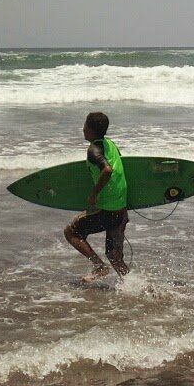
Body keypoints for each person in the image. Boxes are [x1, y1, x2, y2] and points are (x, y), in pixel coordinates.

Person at [64, 111, 130, 282]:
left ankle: (99, 267)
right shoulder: (111, 144)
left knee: (71, 232)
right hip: (121, 210)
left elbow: (107, 170)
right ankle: (137, 286)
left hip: (106, 210)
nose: (83, 129)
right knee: (114, 255)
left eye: (85, 126)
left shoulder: (93, 150)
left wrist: (94, 194)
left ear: (91, 130)